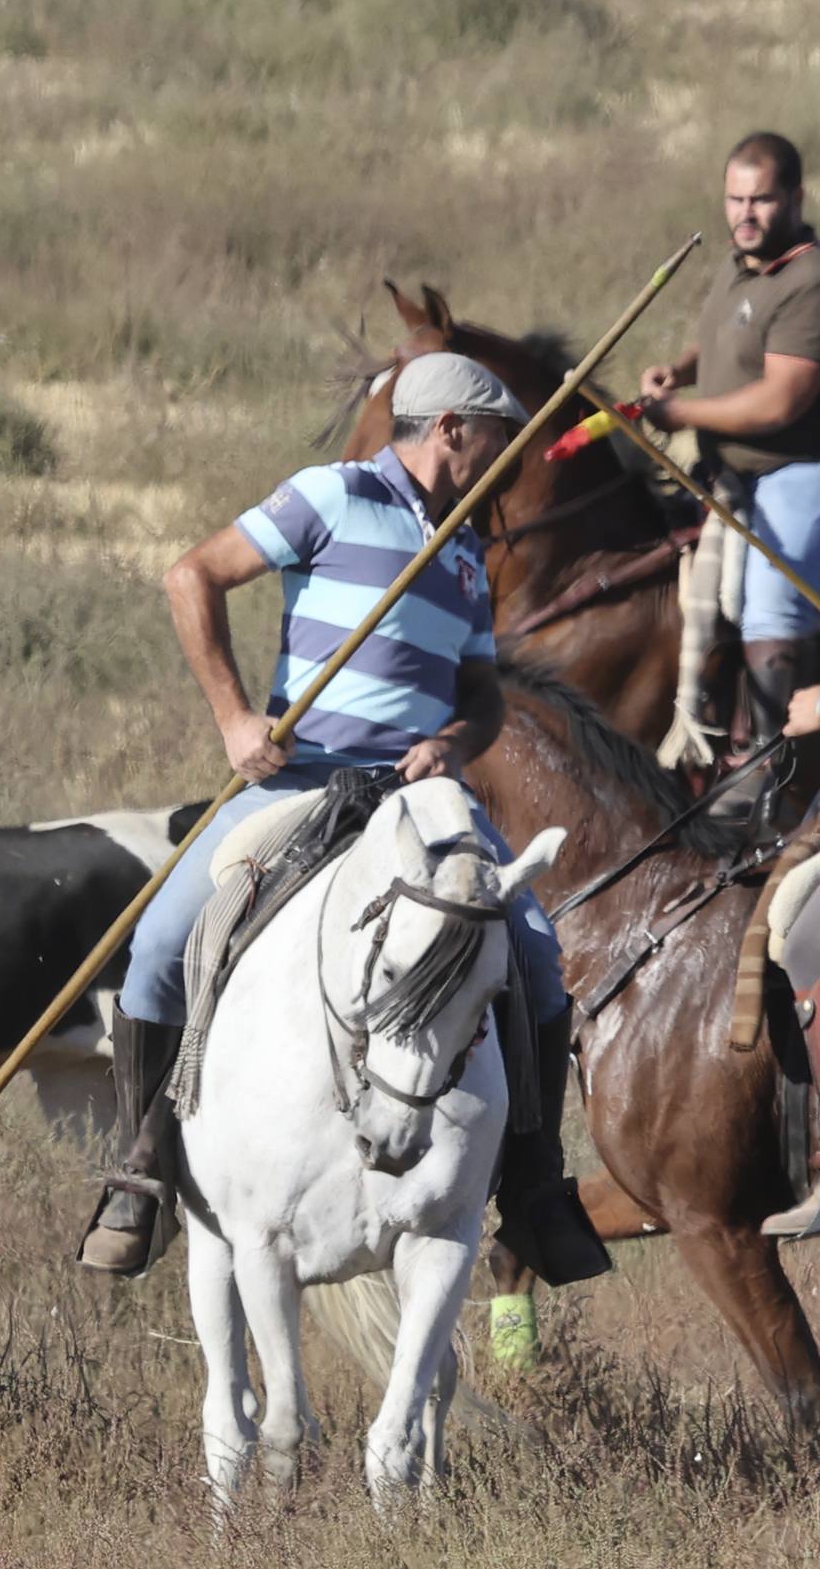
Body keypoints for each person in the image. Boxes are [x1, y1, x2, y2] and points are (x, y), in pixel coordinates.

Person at [78, 351, 613, 1288]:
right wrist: (236, 720)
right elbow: (190, 576)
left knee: (532, 950)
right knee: (162, 944)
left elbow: (482, 697)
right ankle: (142, 1168)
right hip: (305, 781)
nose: (510, 460)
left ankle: (534, 1184)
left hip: (420, 801)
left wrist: (452, 743)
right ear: (450, 429)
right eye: (498, 440)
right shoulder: (330, 496)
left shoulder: (462, 550)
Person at [639, 133, 820, 773]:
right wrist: (680, 372)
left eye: (762, 200)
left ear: (795, 197)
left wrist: (679, 413)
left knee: (770, 600)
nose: (745, 213)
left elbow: (780, 402)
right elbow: (723, 343)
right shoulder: (740, 265)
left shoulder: (808, 280)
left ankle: (774, 766)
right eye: (735, 199)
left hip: (793, 469)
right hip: (726, 470)